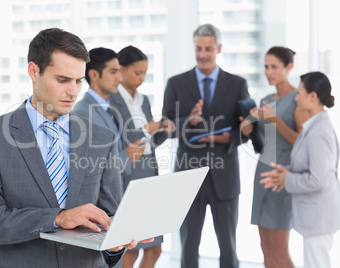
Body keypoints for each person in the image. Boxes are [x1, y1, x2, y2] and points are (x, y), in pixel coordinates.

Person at [0, 28, 151, 268]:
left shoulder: (102, 138)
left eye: (78, 81)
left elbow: (109, 218)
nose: (73, 91)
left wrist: (115, 244)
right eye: (62, 80)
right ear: (34, 71)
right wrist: (57, 218)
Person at [162, 24, 249, 268]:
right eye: (198, 48)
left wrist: (229, 138)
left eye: (208, 49)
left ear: (219, 48)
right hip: (188, 176)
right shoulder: (176, 83)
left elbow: (246, 129)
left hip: (225, 178)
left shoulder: (237, 84)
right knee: (188, 246)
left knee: (228, 246)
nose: (203, 54)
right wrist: (188, 119)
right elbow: (165, 127)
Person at [260, 71, 340, 268]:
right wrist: (284, 172)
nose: (296, 97)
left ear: (313, 96)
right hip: (316, 216)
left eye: (300, 93)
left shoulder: (319, 132)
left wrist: (286, 180)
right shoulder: (312, 127)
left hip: (319, 217)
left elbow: (318, 179)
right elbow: (310, 167)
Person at [240, 46, 309, 267]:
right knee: (265, 248)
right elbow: (263, 144)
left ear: (288, 67)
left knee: (280, 250)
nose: (269, 72)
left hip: (282, 180)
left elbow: (301, 142)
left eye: (274, 67)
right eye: (266, 67)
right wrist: (249, 130)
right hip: (262, 177)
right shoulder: (265, 99)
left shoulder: (299, 100)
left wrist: (275, 119)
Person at [109, 45, 174, 268]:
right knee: (130, 247)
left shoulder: (144, 100)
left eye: (145, 73)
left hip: (149, 171)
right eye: (138, 73)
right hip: (127, 174)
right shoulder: (110, 100)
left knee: (155, 246)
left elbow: (150, 143)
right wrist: (148, 128)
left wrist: (163, 130)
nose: (142, 78)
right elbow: (121, 139)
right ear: (122, 70)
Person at [72, 47, 145, 177]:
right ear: (94, 75)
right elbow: (91, 166)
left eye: (119, 72)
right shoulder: (83, 112)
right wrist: (127, 157)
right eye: (113, 72)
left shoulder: (111, 110)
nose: (119, 78)